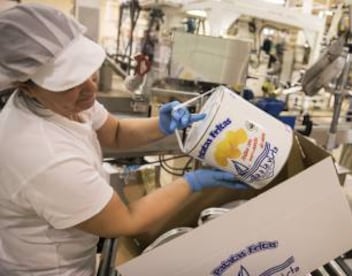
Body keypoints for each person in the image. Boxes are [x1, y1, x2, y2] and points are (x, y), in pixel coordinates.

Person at [0, 4, 247, 275]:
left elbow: (114, 132)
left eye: (89, 72)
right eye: (69, 82)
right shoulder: (40, 154)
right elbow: (126, 221)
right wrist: (192, 183)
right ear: (25, 85)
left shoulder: (64, 102)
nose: (89, 88)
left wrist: (162, 125)